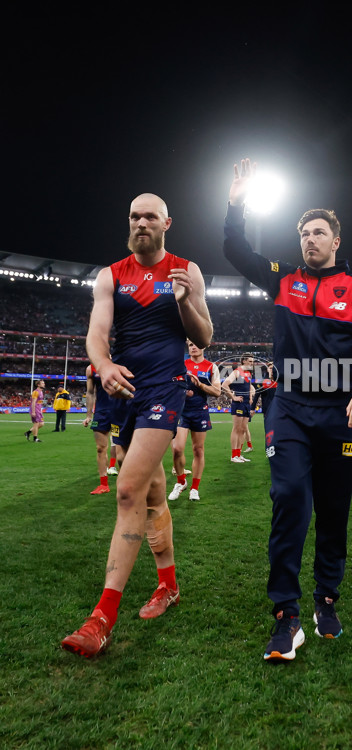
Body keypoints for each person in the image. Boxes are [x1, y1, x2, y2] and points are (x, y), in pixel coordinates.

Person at [224, 158, 352, 662]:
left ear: (336, 240)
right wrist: (236, 204)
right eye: (303, 233)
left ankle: (327, 601)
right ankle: (286, 614)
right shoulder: (282, 278)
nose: (309, 240)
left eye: (319, 232)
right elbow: (236, 250)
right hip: (290, 407)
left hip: (342, 411)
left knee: (334, 511)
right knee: (290, 497)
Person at [61, 192, 213, 659]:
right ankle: (167, 585)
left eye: (149, 216)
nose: (141, 222)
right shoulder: (111, 275)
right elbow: (96, 331)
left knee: (127, 489)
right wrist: (102, 364)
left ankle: (101, 618)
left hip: (164, 389)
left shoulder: (186, 270)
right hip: (122, 391)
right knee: (149, 492)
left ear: (167, 222)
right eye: (134, 216)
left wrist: (185, 301)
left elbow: (203, 336)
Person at [168, 341, 221, 501]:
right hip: (182, 412)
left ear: (204, 346)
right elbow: (171, 386)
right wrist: (183, 392)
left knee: (198, 450)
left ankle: (194, 488)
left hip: (200, 412)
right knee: (177, 449)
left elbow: (217, 392)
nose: (193, 347)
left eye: (196, 344)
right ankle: (181, 482)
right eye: (190, 344)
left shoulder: (211, 367)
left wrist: (201, 386)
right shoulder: (181, 365)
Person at [83, 363, 118, 495]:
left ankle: (128, 483)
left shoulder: (119, 362)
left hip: (119, 412)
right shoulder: (91, 369)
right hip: (101, 413)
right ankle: (103, 484)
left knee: (121, 449)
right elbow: (90, 392)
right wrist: (88, 415)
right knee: (100, 448)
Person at [221, 353, 256, 463]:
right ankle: (233, 456)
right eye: (250, 361)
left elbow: (249, 387)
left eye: (253, 361)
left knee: (242, 430)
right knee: (236, 429)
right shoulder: (236, 372)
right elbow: (224, 385)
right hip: (239, 403)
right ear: (244, 361)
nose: (252, 363)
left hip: (246, 403)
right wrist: (233, 397)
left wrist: (250, 397)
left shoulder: (248, 374)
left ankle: (239, 454)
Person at [250, 361, 278, 435]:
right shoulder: (263, 382)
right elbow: (257, 395)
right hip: (267, 410)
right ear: (267, 369)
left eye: (273, 368)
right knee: (268, 432)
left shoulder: (280, 382)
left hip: (279, 410)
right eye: (270, 368)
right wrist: (252, 409)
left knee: (278, 432)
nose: (272, 370)